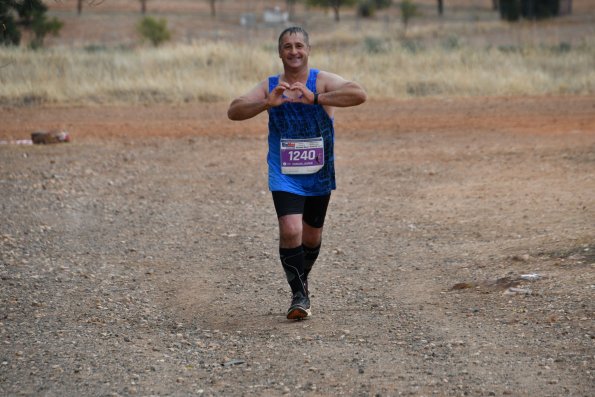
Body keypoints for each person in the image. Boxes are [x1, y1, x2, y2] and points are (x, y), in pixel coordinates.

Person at [227, 26, 367, 320]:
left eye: (299, 46)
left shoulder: (323, 81)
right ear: (280, 52)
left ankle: (301, 281)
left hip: (318, 171)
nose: (293, 52)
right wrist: (267, 103)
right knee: (291, 230)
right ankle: (299, 296)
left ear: (308, 50)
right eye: (287, 46)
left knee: (312, 237)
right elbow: (234, 109)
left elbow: (358, 94)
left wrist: (316, 98)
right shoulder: (270, 86)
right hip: (284, 172)